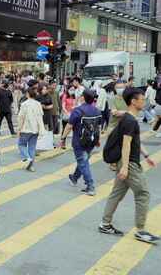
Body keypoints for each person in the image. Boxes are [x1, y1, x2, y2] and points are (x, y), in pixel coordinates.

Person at [99, 87, 159, 244]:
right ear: (133, 101)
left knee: (116, 193)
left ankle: (105, 223)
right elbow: (126, 144)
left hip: (126, 162)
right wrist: (125, 166)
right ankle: (140, 230)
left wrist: (146, 156)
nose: (144, 101)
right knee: (143, 193)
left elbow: (135, 141)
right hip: (130, 163)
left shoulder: (128, 118)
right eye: (142, 99)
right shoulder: (130, 120)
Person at [61, 89, 102, 196]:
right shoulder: (97, 111)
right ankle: (74, 178)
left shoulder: (78, 110)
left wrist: (63, 138)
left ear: (83, 98)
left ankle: (90, 186)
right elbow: (98, 127)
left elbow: (69, 126)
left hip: (79, 142)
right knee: (83, 160)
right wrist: (98, 140)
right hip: (92, 141)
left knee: (83, 162)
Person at [17, 87, 45, 172]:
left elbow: (21, 117)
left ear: (28, 94)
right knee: (32, 147)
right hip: (36, 129)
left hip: (26, 128)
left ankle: (27, 157)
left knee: (21, 144)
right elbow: (41, 116)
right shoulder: (38, 104)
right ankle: (31, 166)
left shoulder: (24, 104)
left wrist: (19, 129)